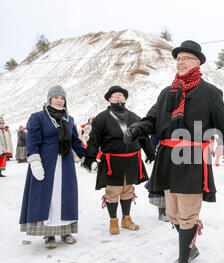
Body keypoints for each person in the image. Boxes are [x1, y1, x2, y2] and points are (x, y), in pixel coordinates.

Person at [123, 40, 224, 263]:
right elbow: (151, 119)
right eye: (178, 58)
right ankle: (191, 247)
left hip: (192, 158)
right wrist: (138, 128)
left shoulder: (210, 93)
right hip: (168, 157)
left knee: (188, 215)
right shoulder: (167, 92)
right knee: (173, 214)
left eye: (186, 58)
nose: (181, 62)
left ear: (198, 62)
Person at [82, 86, 155, 235]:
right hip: (112, 162)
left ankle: (126, 219)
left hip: (132, 160)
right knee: (113, 191)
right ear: (109, 99)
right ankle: (113, 221)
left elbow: (143, 137)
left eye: (121, 96)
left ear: (125, 99)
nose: (118, 98)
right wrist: (90, 158)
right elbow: (94, 140)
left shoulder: (135, 117)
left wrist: (150, 153)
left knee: (128, 190)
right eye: (115, 96)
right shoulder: (101, 118)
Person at [19, 85, 86, 249]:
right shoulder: (38, 117)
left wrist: (87, 158)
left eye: (62, 98)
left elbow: (75, 142)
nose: (59, 100)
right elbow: (32, 141)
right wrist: (34, 161)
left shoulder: (69, 119)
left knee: (65, 197)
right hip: (45, 164)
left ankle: (65, 231)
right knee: (46, 198)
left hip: (65, 165)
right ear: (49, 99)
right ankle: (48, 233)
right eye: (55, 97)